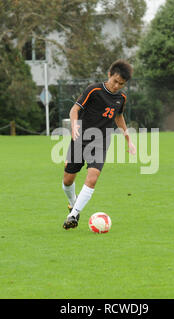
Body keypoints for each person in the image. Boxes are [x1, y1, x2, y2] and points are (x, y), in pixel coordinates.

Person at [62, 60, 136, 229]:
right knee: (67, 180)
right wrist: (74, 125)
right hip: (81, 138)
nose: (117, 86)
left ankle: (73, 215)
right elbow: (75, 109)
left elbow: (119, 117)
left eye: (121, 84)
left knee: (93, 177)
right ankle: (73, 203)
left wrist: (129, 140)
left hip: (101, 141)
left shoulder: (121, 98)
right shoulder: (94, 90)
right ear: (109, 74)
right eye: (115, 81)